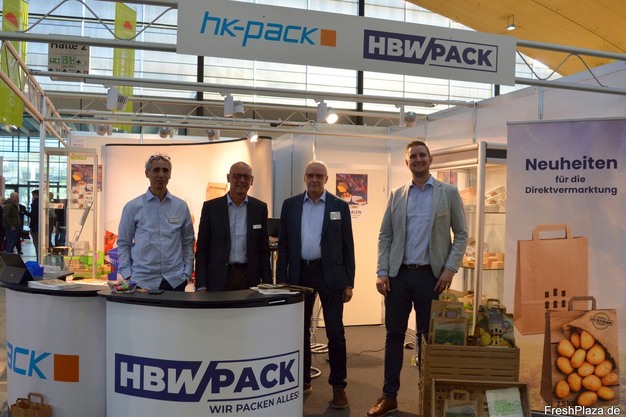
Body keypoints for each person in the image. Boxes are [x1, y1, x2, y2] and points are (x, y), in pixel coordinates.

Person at [366, 140, 468, 417]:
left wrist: (450, 268)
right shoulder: (397, 195)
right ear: (407, 162)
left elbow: (461, 234)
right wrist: (381, 271)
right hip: (398, 276)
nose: (418, 160)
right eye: (413, 156)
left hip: (431, 277)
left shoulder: (448, 193)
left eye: (422, 155)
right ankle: (389, 397)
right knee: (394, 336)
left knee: (427, 338)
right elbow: (385, 235)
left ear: (431, 160)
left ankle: (427, 398)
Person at [276, 160, 355, 409]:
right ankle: (303, 379)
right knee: (298, 330)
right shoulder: (290, 205)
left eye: (319, 176)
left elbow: (348, 246)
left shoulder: (339, 206)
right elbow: (283, 245)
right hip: (300, 274)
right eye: (310, 175)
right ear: (304, 177)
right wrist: (282, 279)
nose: (314, 179)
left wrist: (349, 282)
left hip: (331, 275)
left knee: (335, 333)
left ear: (326, 179)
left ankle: (339, 387)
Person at [117, 154, 195, 291]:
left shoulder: (181, 207)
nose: (161, 175)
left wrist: (187, 273)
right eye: (156, 170)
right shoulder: (132, 207)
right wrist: (127, 275)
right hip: (142, 281)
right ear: (147, 173)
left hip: (175, 281)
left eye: (165, 170)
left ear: (170, 174)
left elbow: (188, 242)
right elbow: (124, 243)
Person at [195, 161, 272, 291]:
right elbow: (202, 250)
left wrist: (267, 283)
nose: (242, 180)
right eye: (237, 176)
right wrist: (201, 285)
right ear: (228, 178)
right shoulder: (211, 208)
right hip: (218, 277)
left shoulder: (260, 208)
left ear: (252, 180)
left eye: (246, 177)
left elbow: (264, 250)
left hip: (249, 278)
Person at [29, 190, 40, 262]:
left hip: (35, 227)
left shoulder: (35, 203)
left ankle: (38, 258)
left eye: (33, 195)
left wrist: (32, 227)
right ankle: (39, 258)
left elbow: (33, 216)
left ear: (35, 195)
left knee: (36, 243)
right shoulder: (41, 203)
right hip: (38, 226)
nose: (32, 196)